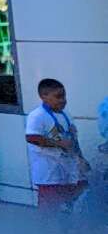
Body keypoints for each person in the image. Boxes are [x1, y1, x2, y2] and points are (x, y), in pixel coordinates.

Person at [25, 77, 88, 208]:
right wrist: (58, 144)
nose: (63, 100)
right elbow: (32, 137)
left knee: (80, 200)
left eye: (64, 96)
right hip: (49, 171)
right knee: (50, 210)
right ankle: (47, 229)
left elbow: (73, 140)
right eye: (58, 97)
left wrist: (81, 159)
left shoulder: (67, 115)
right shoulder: (37, 115)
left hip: (69, 168)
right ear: (44, 96)